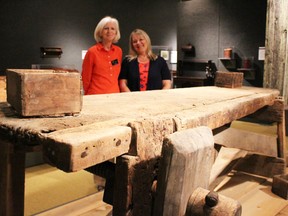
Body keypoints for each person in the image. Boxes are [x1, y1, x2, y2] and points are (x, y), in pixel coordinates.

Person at [82, 16, 122, 95]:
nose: (109, 31)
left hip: (115, 95)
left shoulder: (118, 51)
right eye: (106, 28)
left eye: (113, 29)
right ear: (100, 32)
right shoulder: (92, 52)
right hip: (95, 96)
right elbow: (85, 78)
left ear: (116, 32)